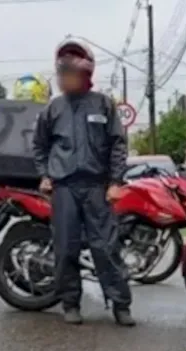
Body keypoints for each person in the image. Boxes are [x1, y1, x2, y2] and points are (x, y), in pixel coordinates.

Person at [32, 39, 134, 326]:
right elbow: (39, 146)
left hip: (97, 188)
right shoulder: (53, 109)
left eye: (72, 71)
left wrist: (116, 181)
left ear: (87, 73)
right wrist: (45, 175)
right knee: (66, 248)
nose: (67, 77)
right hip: (64, 188)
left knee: (106, 248)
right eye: (63, 71)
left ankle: (120, 305)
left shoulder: (103, 104)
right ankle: (70, 303)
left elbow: (117, 144)